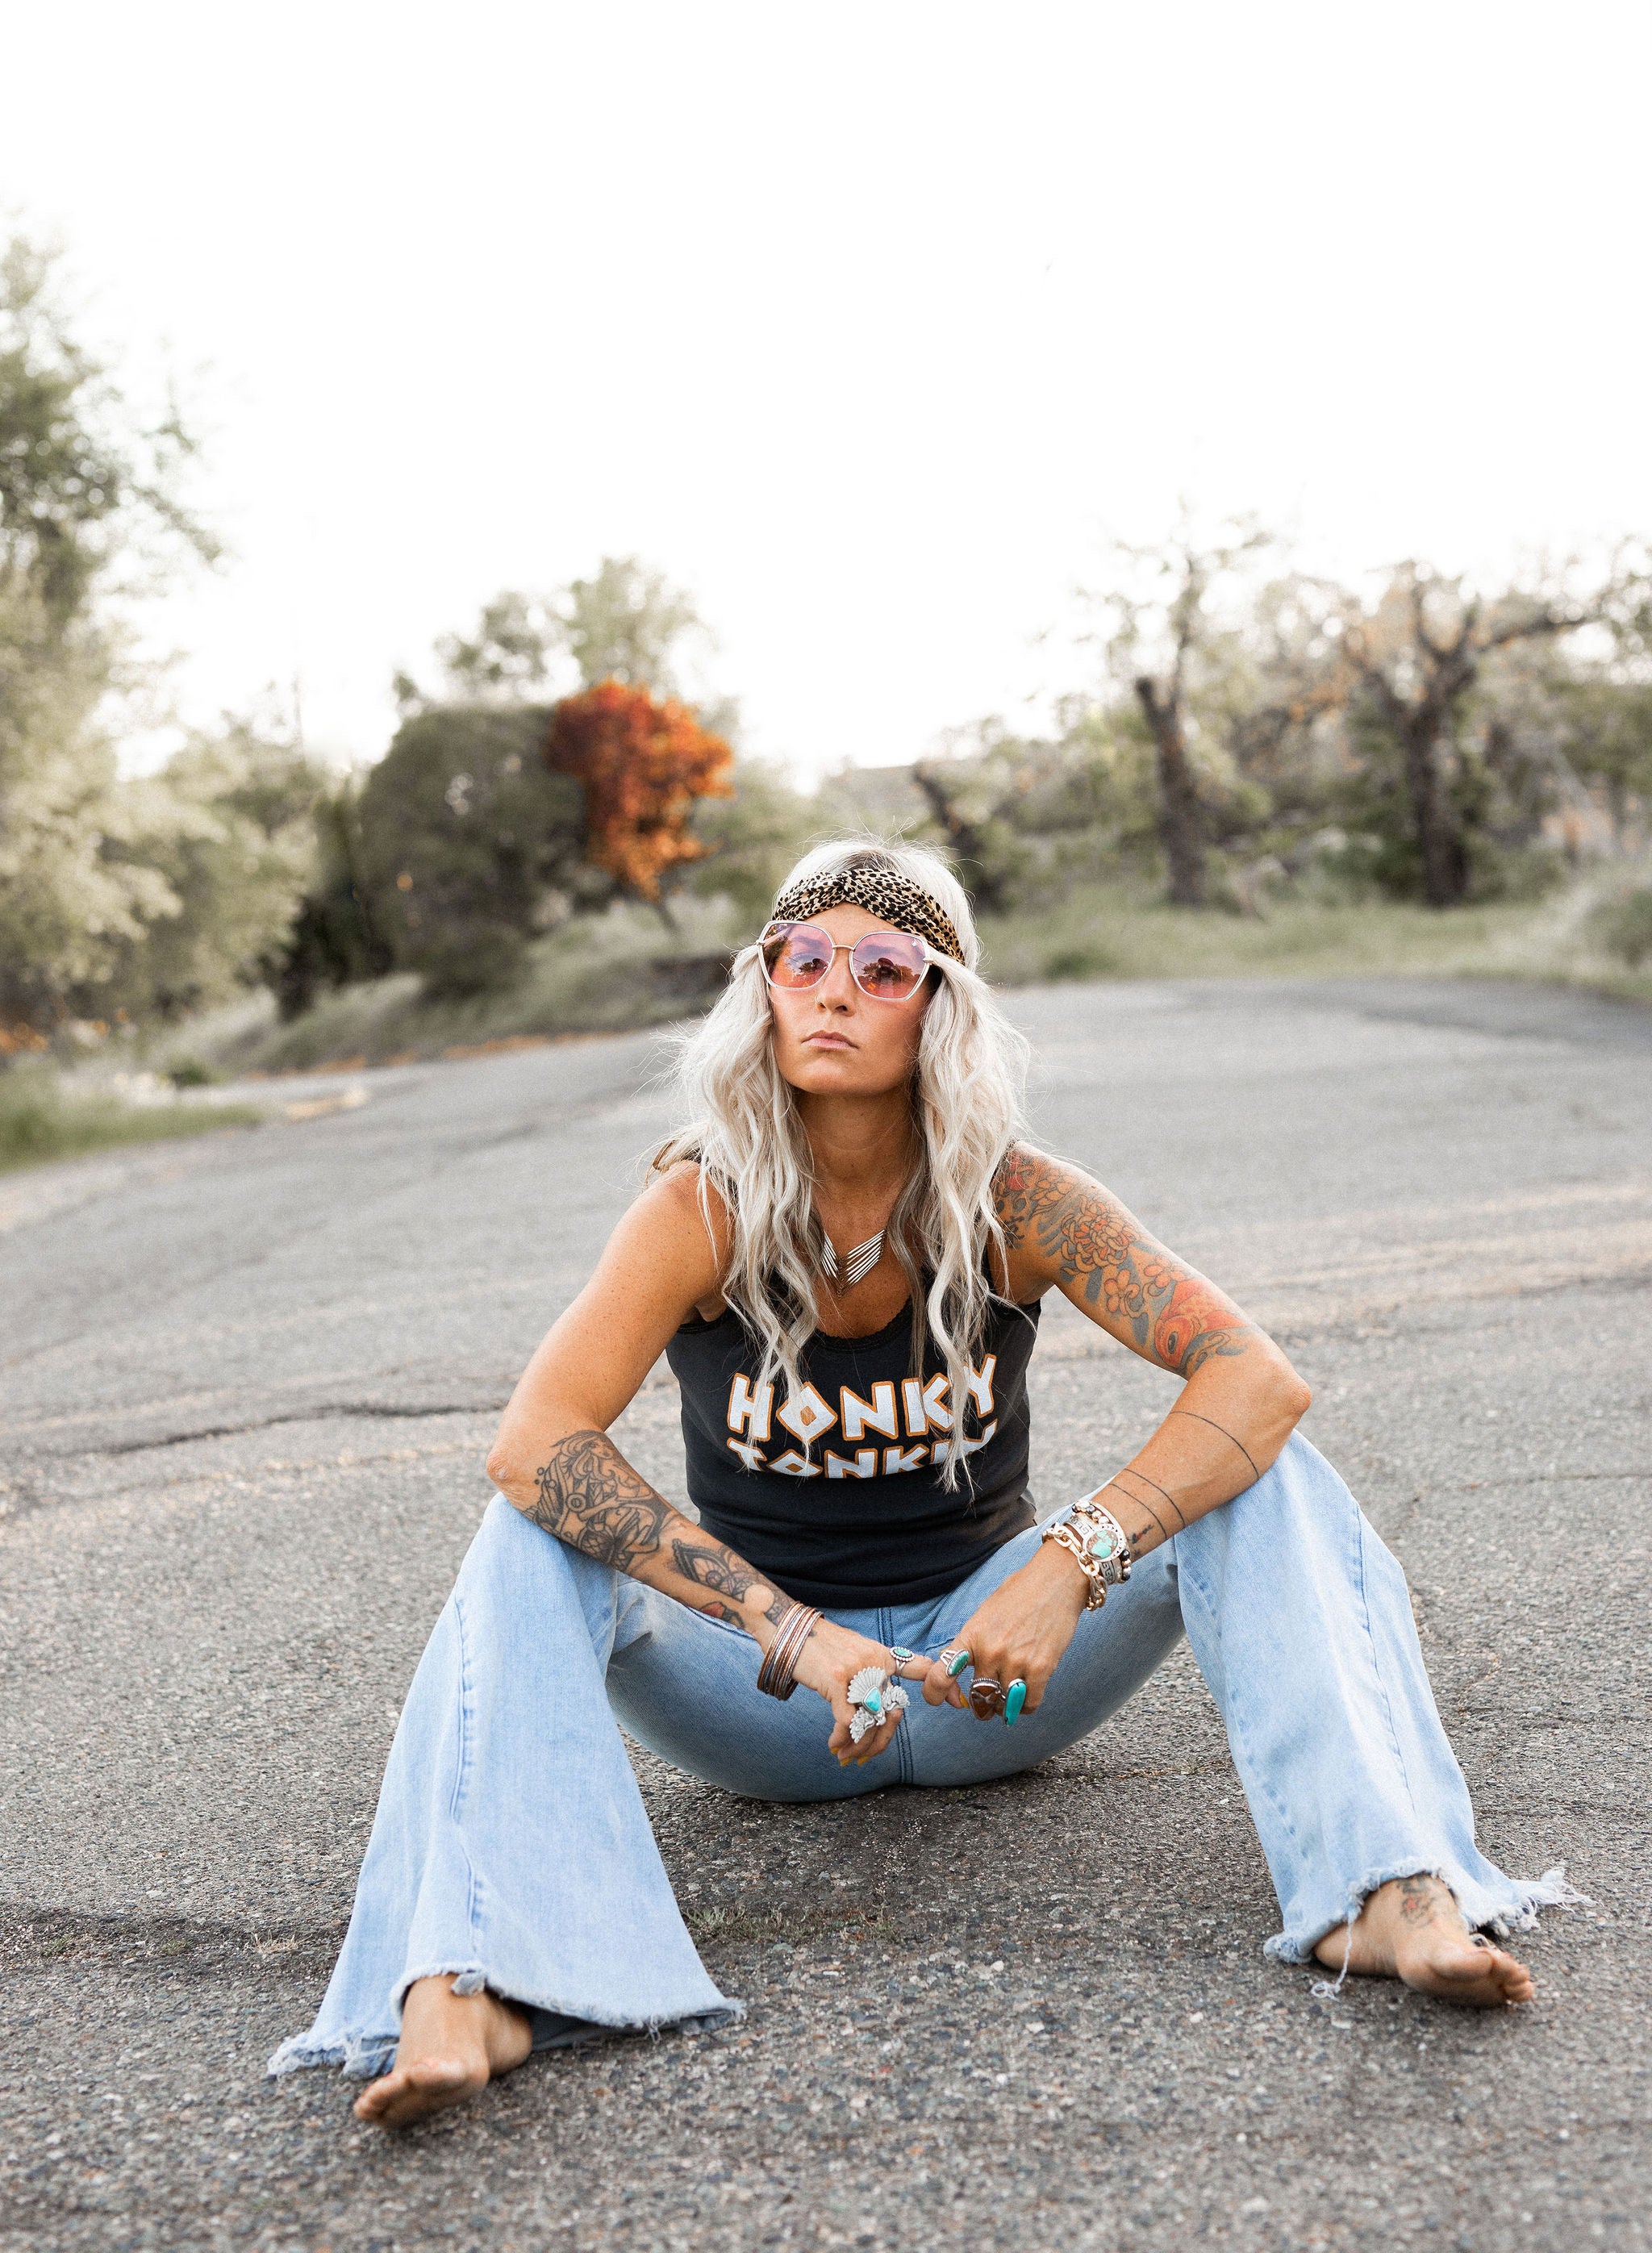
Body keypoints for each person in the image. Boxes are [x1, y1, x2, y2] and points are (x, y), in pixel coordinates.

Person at [270, 839, 1567, 2130]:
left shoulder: (1019, 1202)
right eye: (802, 960)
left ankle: (1384, 1886)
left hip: (986, 1675)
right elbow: (535, 1441)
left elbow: (1255, 1378)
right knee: (528, 1530)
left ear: (941, 1008)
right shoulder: (699, 1210)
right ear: (763, 987)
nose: (833, 991)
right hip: (773, 1698)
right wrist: (795, 1634)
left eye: (883, 968)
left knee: (1266, 1473)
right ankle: (475, 1976)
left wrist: (1070, 1568)